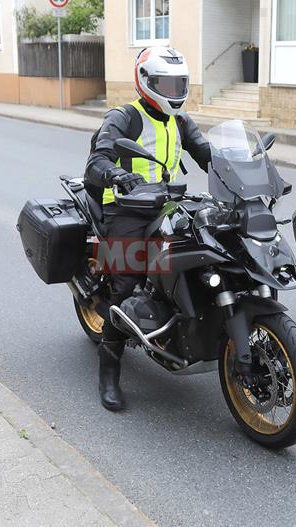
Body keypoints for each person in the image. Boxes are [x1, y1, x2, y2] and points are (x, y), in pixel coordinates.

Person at [84, 47, 211, 411]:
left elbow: (208, 154)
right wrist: (117, 175)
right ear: (145, 82)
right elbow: (97, 160)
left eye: (178, 83)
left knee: (201, 253)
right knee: (124, 283)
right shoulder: (125, 117)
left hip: (167, 203)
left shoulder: (181, 122)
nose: (173, 90)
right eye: (165, 83)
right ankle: (108, 373)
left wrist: (243, 168)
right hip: (125, 207)